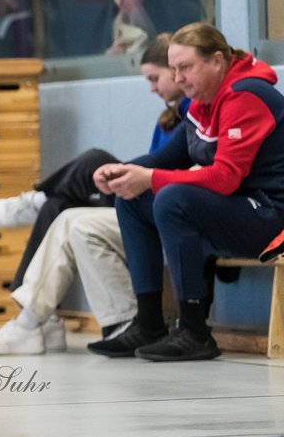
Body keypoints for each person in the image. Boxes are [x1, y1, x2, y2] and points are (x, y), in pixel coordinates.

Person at [0, 36, 190, 355]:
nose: (152, 89)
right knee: (61, 208)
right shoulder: (169, 119)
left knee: (95, 161)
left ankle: (34, 203)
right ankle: (37, 321)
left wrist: (126, 174)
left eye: (156, 78)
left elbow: (176, 175)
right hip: (146, 203)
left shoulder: (195, 114)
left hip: (162, 208)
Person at [90, 23, 284, 360]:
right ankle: (149, 322)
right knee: (133, 199)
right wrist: (121, 172)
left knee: (172, 197)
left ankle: (195, 330)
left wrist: (150, 178)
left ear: (217, 61)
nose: (178, 78)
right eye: (175, 68)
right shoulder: (202, 101)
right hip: (241, 208)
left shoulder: (246, 95)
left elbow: (224, 178)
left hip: (272, 216)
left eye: (185, 67)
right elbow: (164, 159)